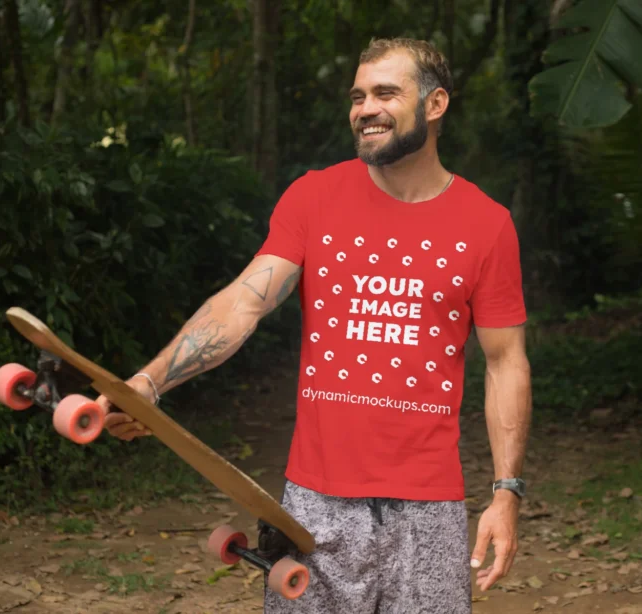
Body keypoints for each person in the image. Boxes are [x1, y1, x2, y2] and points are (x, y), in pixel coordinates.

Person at [98, 37, 532, 614]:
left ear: (435, 105)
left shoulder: (487, 225)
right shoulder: (315, 197)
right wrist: (149, 384)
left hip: (429, 508)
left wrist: (506, 493)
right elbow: (242, 304)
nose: (365, 108)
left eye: (385, 93)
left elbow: (505, 361)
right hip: (316, 504)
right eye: (357, 96)